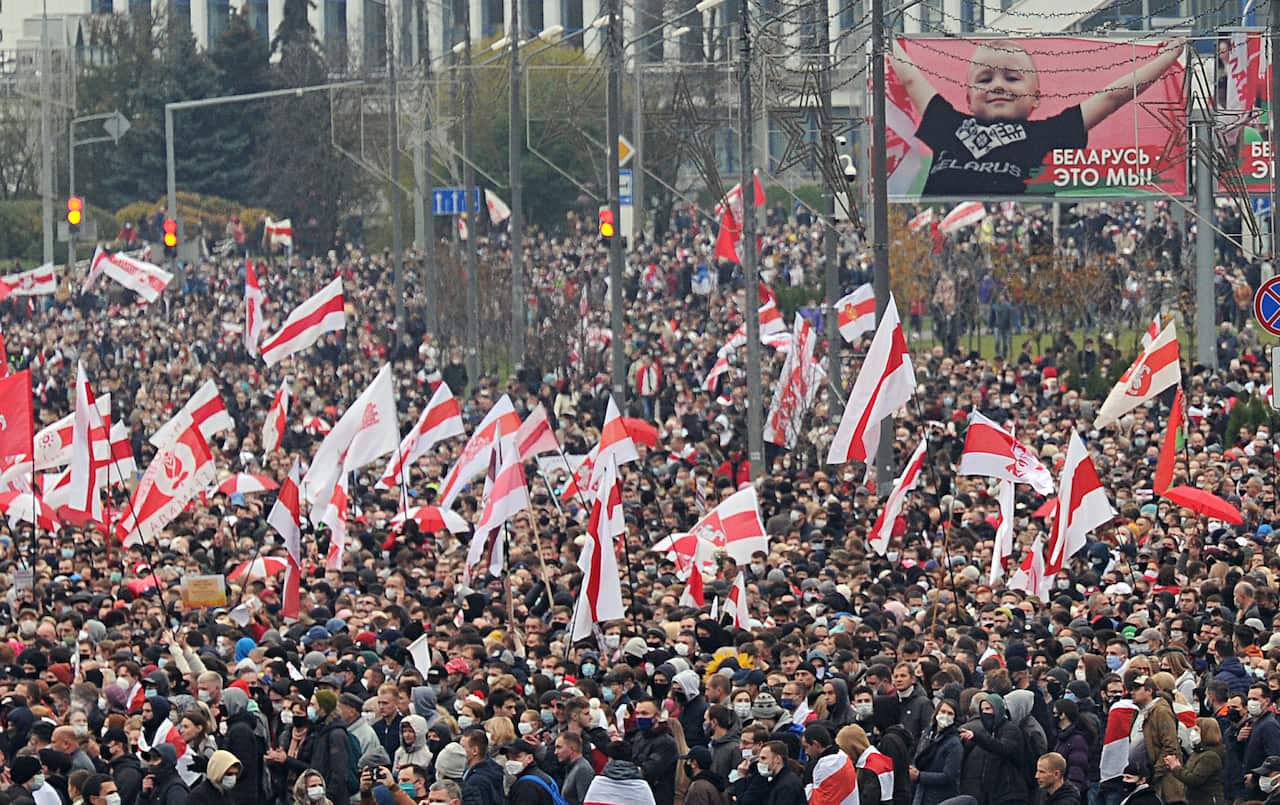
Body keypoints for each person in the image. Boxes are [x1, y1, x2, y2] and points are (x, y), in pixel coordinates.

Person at [889, 37, 1185, 196]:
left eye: (1012, 78)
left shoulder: (1048, 133)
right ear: (967, 97)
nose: (998, 86)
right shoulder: (947, 124)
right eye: (985, 79)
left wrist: (1167, 58)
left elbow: (1111, 97)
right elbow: (911, 79)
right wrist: (883, 41)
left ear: (1036, 98)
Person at [910, 700, 963, 805]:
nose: (945, 716)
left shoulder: (954, 744)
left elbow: (949, 776)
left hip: (942, 797)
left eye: (950, 713)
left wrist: (920, 776)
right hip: (921, 794)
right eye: (942, 711)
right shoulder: (927, 734)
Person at [626, 698, 676, 805]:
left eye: (644, 713)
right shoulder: (638, 735)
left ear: (657, 716)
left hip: (656, 797)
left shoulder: (666, 742)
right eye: (637, 713)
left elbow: (649, 771)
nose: (639, 717)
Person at [305, 691, 352, 805]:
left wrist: (328, 798)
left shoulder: (336, 734)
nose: (309, 708)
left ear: (323, 708)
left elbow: (339, 772)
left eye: (313, 705)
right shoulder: (320, 730)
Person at [1164, 718, 1224, 805]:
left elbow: (1194, 780)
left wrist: (1176, 767)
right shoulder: (1197, 753)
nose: (1192, 733)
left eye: (1196, 730)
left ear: (1206, 732)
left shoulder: (1210, 756)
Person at [460, 730, 505, 805]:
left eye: (462, 747)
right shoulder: (491, 768)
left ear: (475, 751)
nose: (459, 750)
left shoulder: (477, 781)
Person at [755, 740, 805, 805]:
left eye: (763, 758)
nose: (759, 763)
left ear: (778, 759)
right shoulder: (778, 781)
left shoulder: (787, 786)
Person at [553, 733, 594, 805]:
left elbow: (585, 802)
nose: (555, 752)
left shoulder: (582, 769)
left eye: (559, 747)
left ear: (572, 748)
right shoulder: (571, 767)